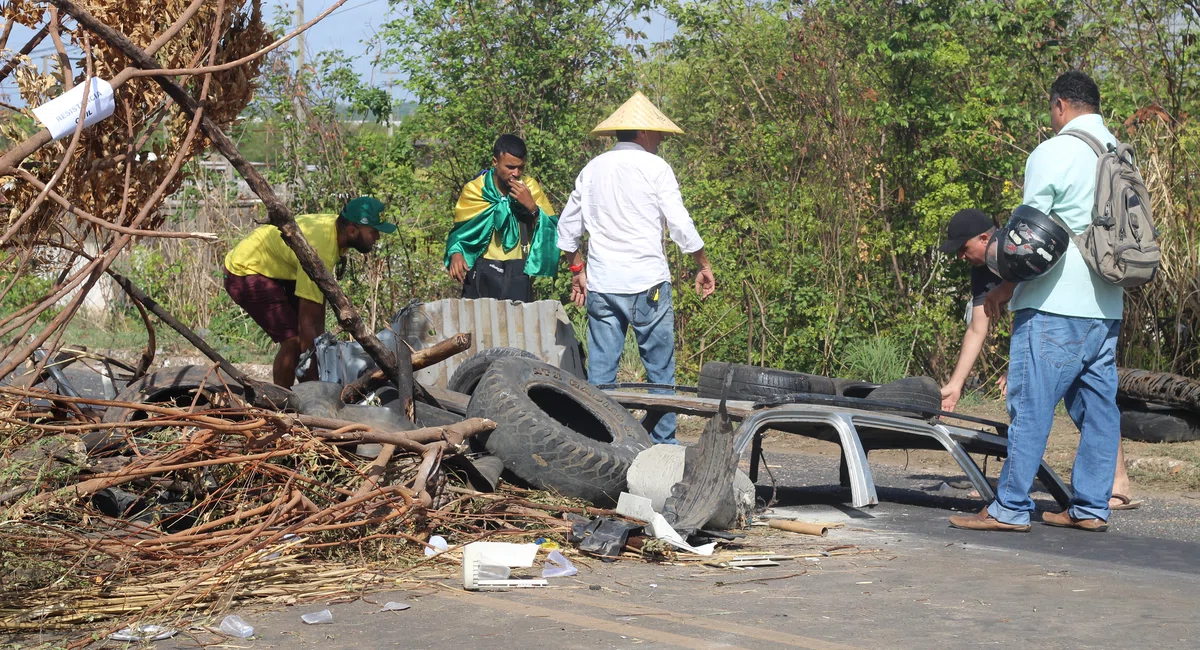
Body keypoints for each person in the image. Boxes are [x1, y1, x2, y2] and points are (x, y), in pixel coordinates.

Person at [950, 71, 1126, 533]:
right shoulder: (1120, 154)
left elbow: (1032, 242)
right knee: (1099, 410)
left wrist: (1005, 287)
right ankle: (1090, 507)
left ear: (1062, 106)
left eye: (1051, 110)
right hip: (1107, 306)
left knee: (1030, 405)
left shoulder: (1053, 152)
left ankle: (1008, 507)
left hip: (1053, 305)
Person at [939, 208, 1140, 512]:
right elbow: (978, 326)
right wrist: (956, 384)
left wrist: (1018, 362)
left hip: (1066, 318)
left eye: (963, 249)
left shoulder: (1021, 244)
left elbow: (1035, 287)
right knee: (1090, 404)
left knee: (1087, 405)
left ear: (984, 237)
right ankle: (1087, 500)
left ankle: (1116, 482)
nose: (960, 257)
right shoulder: (982, 270)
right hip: (1051, 328)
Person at [556, 91, 716, 445]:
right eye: (658, 134)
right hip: (648, 285)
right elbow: (680, 225)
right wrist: (702, 264)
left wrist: (577, 270)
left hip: (603, 284)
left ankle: (599, 442)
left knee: (602, 374)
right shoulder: (656, 168)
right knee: (659, 372)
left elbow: (567, 232)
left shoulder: (592, 169)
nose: (660, 140)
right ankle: (663, 447)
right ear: (643, 133)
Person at [224, 197, 394, 387]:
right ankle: (282, 403)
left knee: (311, 339)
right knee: (293, 342)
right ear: (352, 231)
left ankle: (303, 392)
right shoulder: (319, 250)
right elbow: (307, 327)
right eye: (374, 231)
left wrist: (318, 347)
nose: (378, 237)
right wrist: (317, 386)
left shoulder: (336, 229)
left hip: (277, 268)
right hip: (245, 270)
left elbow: (316, 307)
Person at [445, 134, 559, 302]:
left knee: (518, 326)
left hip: (518, 271)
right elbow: (460, 234)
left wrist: (532, 207)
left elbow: (552, 230)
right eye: (511, 167)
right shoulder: (475, 190)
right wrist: (456, 254)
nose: (516, 173)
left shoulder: (530, 188)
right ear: (495, 162)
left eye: (521, 168)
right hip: (481, 270)